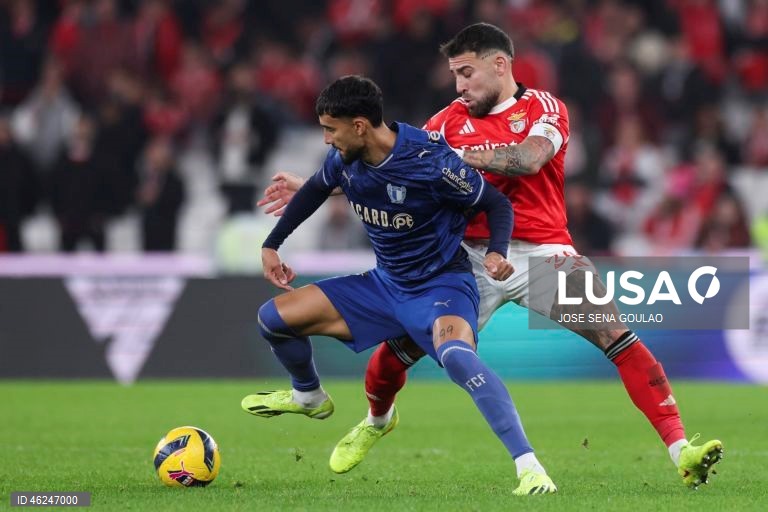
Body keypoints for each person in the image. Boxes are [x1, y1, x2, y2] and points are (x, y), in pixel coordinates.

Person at [257, 24, 723, 490]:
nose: (459, 85)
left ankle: (682, 450)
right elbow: (397, 167)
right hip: (464, 260)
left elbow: (529, 159)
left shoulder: (544, 108)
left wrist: (456, 159)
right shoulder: (445, 121)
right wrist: (317, 186)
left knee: (614, 335)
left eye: (466, 73)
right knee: (393, 357)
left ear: (499, 64)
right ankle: (376, 421)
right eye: (454, 76)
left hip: (543, 253)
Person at [241, 75, 557, 496]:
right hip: (384, 286)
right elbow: (316, 188)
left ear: (359, 126)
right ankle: (309, 397)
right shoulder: (344, 159)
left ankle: (530, 468)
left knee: (459, 359)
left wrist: (497, 253)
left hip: (441, 286)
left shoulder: (431, 161)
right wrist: (272, 244)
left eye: (331, 129)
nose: (327, 139)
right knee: (273, 319)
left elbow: (495, 203)